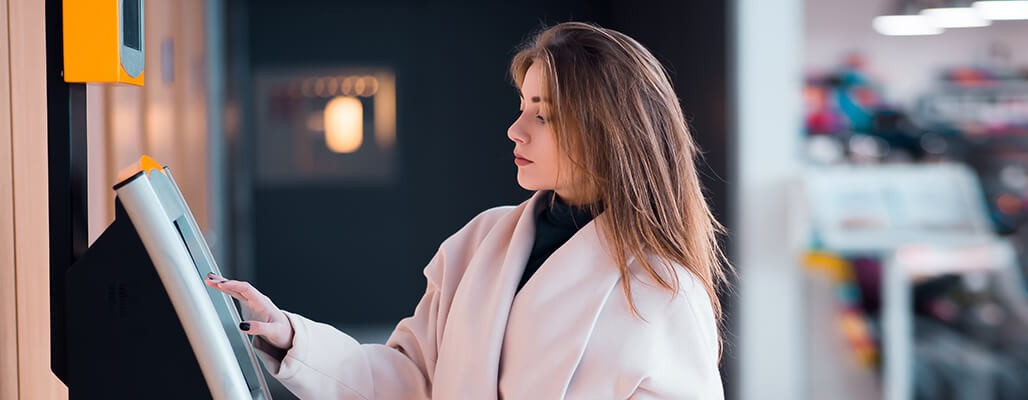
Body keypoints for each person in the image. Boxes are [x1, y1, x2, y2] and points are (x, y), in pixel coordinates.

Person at [207, 21, 731, 399]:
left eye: (542, 116)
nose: (515, 130)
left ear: (604, 132)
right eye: (521, 107)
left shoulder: (665, 294)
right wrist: (292, 338)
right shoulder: (481, 241)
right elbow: (410, 380)